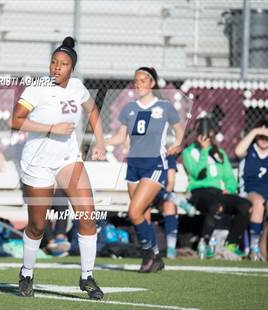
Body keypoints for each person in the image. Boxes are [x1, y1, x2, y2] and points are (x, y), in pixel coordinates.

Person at [11, 36, 106, 299]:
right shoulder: (37, 88)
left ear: (71, 68)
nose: (56, 67)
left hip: (68, 159)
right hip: (37, 163)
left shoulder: (77, 87)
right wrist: (51, 128)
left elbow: (93, 109)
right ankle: (27, 272)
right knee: (37, 226)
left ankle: (87, 277)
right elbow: (16, 121)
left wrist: (100, 140)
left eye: (63, 64)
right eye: (54, 62)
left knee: (88, 217)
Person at [105, 67, 184, 272]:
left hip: (154, 165)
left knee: (134, 212)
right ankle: (153, 256)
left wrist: (178, 144)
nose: (138, 84)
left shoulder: (164, 107)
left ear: (152, 83)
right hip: (134, 166)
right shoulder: (129, 108)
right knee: (143, 214)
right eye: (136, 80)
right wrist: (101, 143)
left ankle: (150, 253)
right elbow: (120, 138)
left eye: (142, 80)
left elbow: (179, 129)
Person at [183, 117, 251, 260]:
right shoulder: (189, 152)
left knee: (245, 206)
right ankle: (205, 244)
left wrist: (230, 188)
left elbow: (229, 177)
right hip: (198, 191)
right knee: (216, 206)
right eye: (202, 133)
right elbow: (197, 173)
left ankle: (231, 245)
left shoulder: (219, 153)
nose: (206, 137)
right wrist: (204, 150)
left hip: (217, 192)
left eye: (208, 133)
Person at [144, 155, 196, 259]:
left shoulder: (168, 157)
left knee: (170, 205)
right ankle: (178, 201)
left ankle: (171, 249)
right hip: (146, 193)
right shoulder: (146, 155)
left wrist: (166, 195)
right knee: (152, 187)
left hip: (162, 195)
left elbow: (171, 182)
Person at [235, 116, 268, 261]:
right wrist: (255, 131)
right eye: (260, 136)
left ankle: (263, 246)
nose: (263, 139)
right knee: (259, 203)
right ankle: (254, 248)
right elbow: (238, 151)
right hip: (249, 191)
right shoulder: (249, 150)